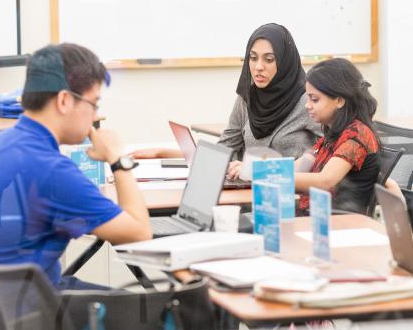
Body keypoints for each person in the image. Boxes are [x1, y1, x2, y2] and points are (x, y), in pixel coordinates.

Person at [0, 43, 152, 290]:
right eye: (93, 104)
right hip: (31, 311)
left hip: (7, 305)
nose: (95, 116)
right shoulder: (53, 172)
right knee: (165, 313)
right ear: (65, 100)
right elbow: (139, 233)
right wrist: (119, 160)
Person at [130, 23, 321, 176]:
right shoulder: (247, 98)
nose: (258, 67)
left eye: (269, 59)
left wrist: (262, 170)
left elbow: (325, 156)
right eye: (253, 58)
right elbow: (224, 150)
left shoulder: (307, 101)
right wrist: (164, 153)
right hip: (248, 191)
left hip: (291, 195)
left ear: (285, 61)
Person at [295, 58, 381, 215]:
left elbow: (325, 181)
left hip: (336, 225)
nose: (308, 105)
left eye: (314, 99)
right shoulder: (333, 134)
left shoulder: (357, 135)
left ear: (340, 101)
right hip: (317, 216)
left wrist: (273, 177)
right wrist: (256, 170)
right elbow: (301, 165)